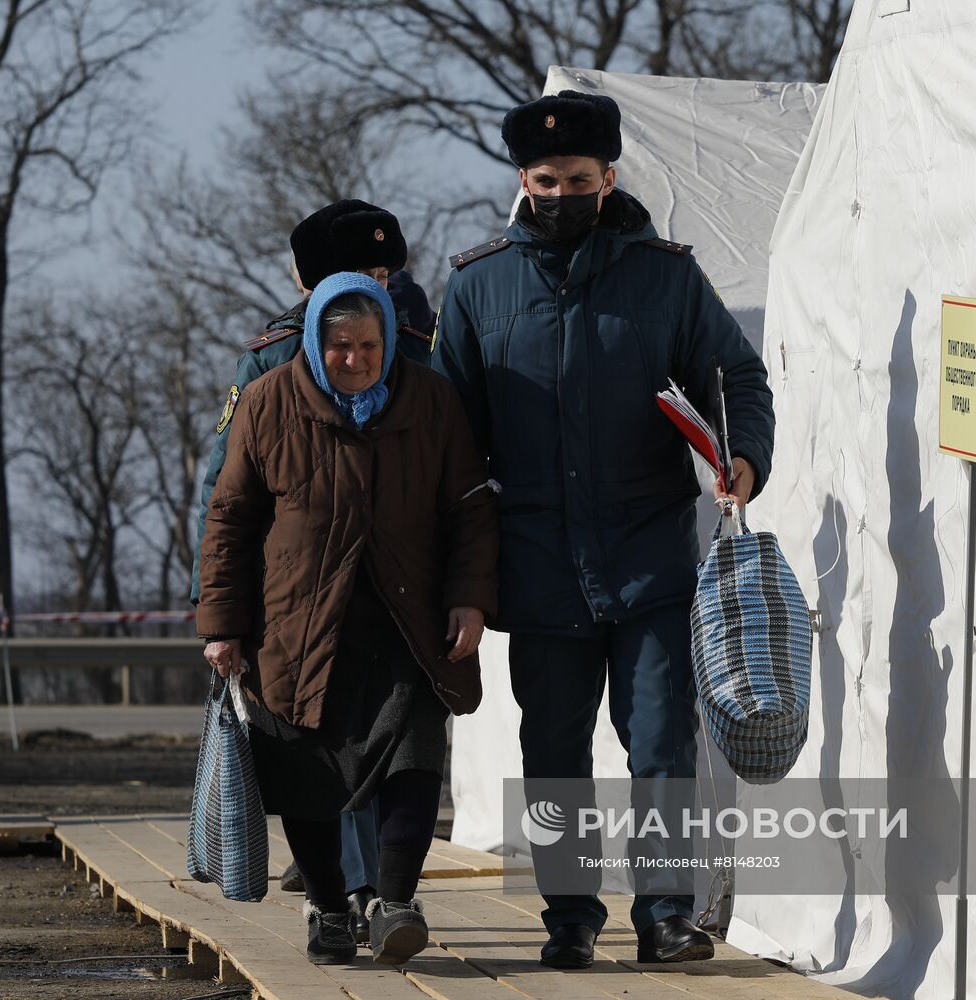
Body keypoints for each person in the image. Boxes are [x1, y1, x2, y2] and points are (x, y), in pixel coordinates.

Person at [432, 90, 775, 968]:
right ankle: (570, 916)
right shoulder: (475, 287)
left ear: (609, 178)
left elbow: (736, 377)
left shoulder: (666, 277)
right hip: (537, 561)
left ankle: (664, 915)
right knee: (552, 749)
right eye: (545, 181)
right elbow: (445, 437)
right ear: (522, 180)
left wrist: (741, 454)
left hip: (648, 552)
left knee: (659, 740)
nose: (560, 195)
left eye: (578, 180)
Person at [197, 272, 497, 967]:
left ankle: (394, 903)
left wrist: (470, 597)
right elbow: (230, 518)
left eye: (368, 345)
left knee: (414, 755)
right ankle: (330, 909)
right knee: (304, 768)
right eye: (340, 346)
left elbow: (470, 508)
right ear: (313, 341)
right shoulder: (268, 401)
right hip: (297, 622)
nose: (355, 359)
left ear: (389, 341)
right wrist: (222, 623)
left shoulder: (431, 399)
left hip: (407, 615)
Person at [190, 199, 436, 942]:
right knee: (319, 754)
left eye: (382, 273)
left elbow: (459, 470)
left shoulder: (419, 350)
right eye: (357, 272)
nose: (372, 285)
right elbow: (228, 495)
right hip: (306, 595)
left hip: (387, 590)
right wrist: (223, 609)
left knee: (386, 749)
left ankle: (372, 896)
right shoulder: (275, 361)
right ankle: (345, 895)